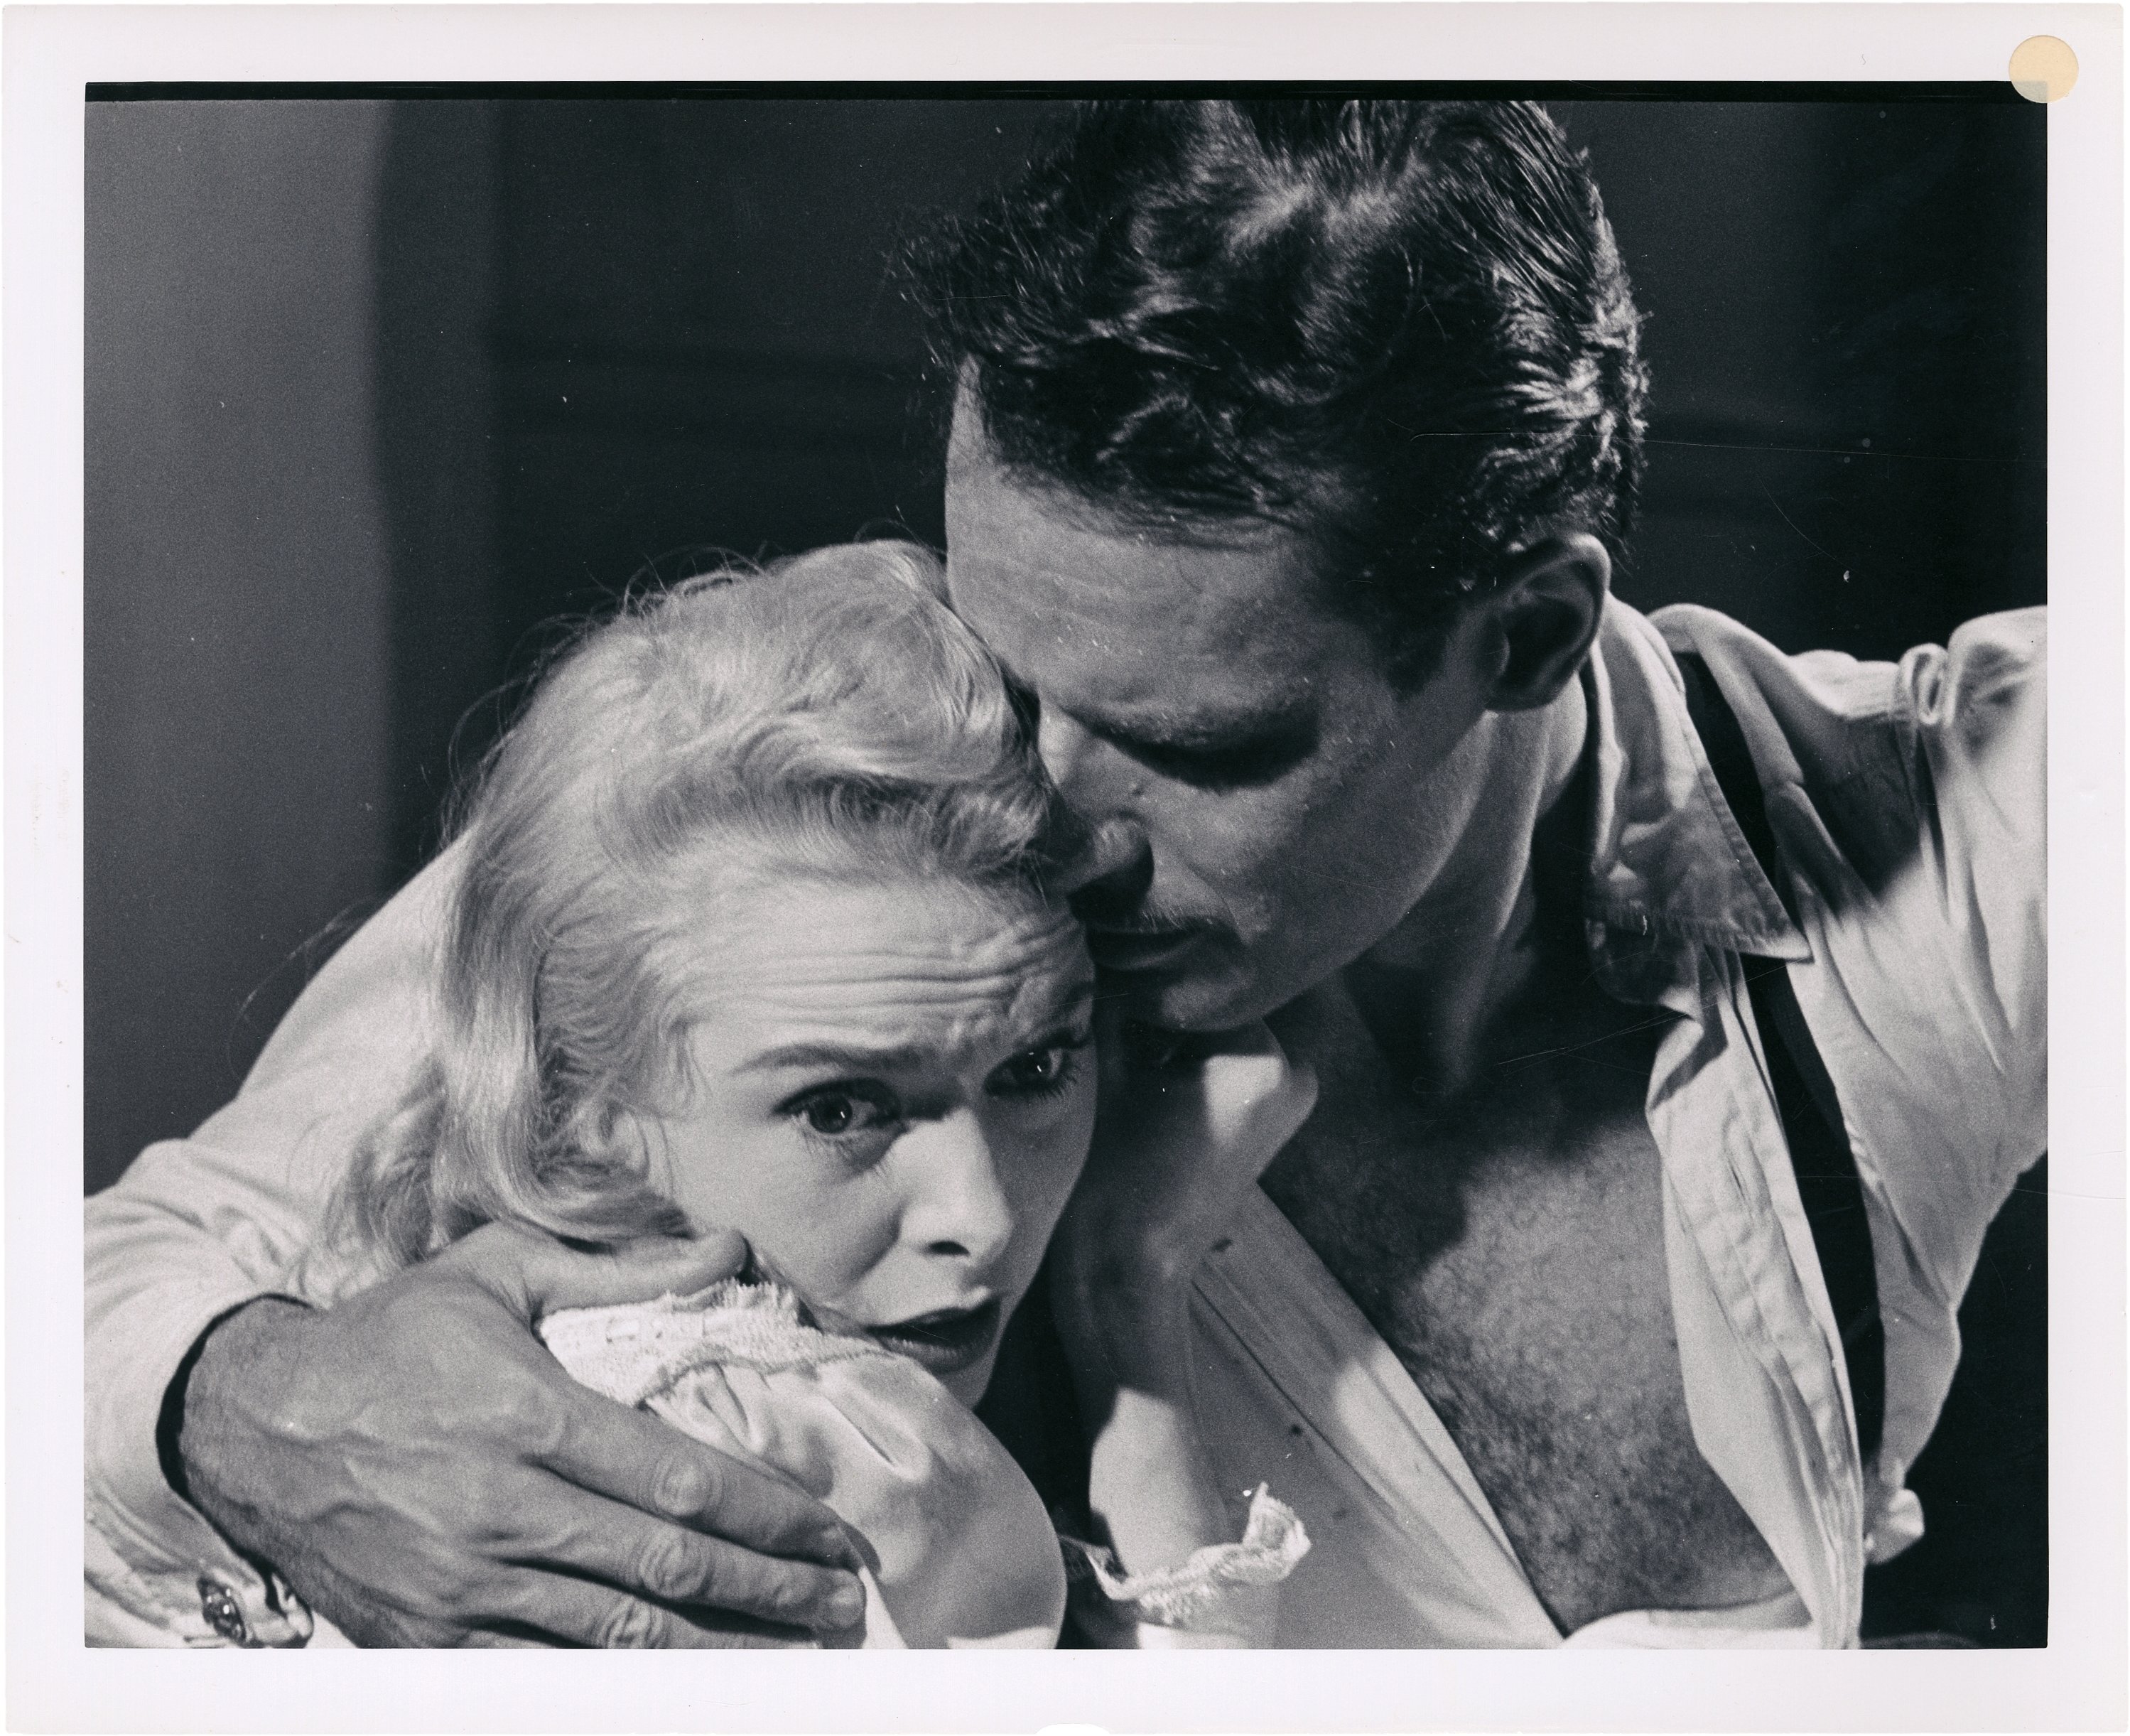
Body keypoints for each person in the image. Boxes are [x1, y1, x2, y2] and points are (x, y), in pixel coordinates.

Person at [85, 99, 2045, 1648]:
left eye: (1198, 744)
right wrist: (237, 1403)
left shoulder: (1912, 848)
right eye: (1020, 678)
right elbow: (112, 1283)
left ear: (1522, 635)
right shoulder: (832, 822)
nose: (1057, 820)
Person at [89, 540, 1314, 1648]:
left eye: (1037, 1069)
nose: (981, 1218)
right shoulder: (774, 1450)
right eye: (840, 1110)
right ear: (581, 1105)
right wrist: (1133, 1311)